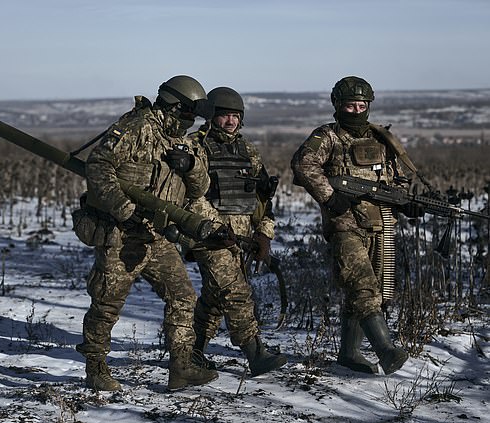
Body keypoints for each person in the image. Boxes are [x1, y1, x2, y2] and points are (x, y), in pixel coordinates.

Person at [75, 75, 219, 391]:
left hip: (158, 236)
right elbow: (98, 167)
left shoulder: (180, 139)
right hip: (121, 235)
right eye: (187, 114)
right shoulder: (134, 128)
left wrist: (191, 165)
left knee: (183, 297)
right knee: (106, 303)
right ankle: (96, 366)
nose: (189, 122)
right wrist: (125, 210)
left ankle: (181, 367)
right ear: (174, 106)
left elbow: (199, 188)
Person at [291, 76, 422, 375]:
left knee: (372, 291)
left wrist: (406, 203)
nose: (357, 110)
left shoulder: (381, 139)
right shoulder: (329, 137)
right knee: (363, 288)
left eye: (362, 105)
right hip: (345, 225)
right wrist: (329, 197)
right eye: (350, 106)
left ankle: (349, 355)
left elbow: (397, 179)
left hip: (380, 223)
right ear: (338, 106)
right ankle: (386, 350)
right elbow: (303, 164)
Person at [185, 87, 287, 377]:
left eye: (235, 116)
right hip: (209, 236)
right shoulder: (195, 146)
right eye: (224, 115)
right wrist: (216, 228)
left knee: (215, 298)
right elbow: (192, 197)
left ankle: (191, 351)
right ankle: (255, 353)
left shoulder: (247, 149)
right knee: (235, 292)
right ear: (211, 116)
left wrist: (264, 234)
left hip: (242, 239)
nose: (231, 121)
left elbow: (263, 200)